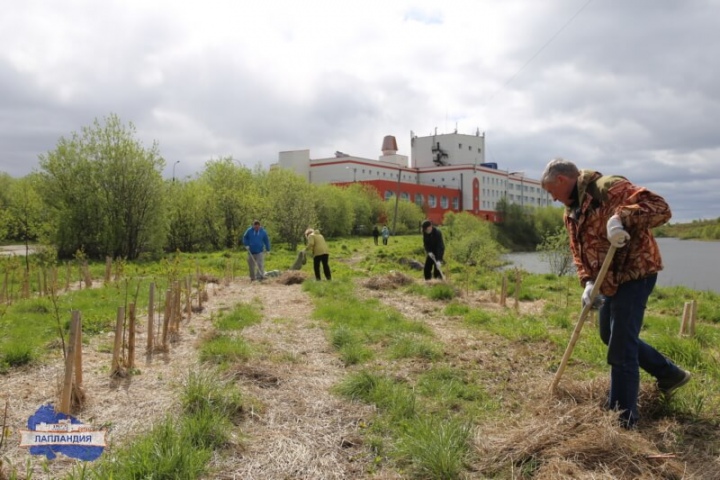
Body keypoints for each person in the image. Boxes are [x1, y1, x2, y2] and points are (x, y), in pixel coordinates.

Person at [540, 157, 691, 429]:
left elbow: (660, 208)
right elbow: (578, 252)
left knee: (621, 347)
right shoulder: (570, 212)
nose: (552, 199)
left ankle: (622, 419)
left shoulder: (609, 188)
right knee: (608, 335)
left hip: (635, 273)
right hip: (608, 281)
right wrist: (587, 281)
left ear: (562, 180)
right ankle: (670, 374)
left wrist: (620, 218)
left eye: (551, 191)